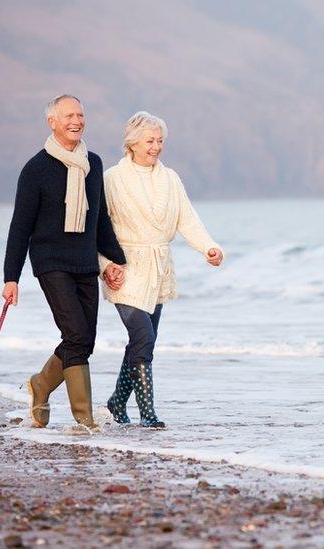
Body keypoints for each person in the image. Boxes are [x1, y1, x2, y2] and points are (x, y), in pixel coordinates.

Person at [2, 94, 127, 431]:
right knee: (75, 333)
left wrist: (116, 260)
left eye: (81, 115)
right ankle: (84, 418)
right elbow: (20, 226)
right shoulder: (36, 169)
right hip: (50, 262)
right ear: (52, 122)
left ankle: (40, 385)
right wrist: (11, 277)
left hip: (85, 262)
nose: (77, 121)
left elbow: (99, 219)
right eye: (69, 115)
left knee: (84, 340)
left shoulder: (94, 164)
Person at [100, 111, 223, 429]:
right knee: (143, 335)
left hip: (159, 267)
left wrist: (208, 247)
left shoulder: (170, 178)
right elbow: (100, 227)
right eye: (150, 141)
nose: (156, 147)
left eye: (160, 141)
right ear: (132, 143)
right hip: (124, 267)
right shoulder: (113, 178)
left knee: (143, 341)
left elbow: (187, 218)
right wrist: (105, 265)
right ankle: (147, 413)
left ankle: (116, 403)